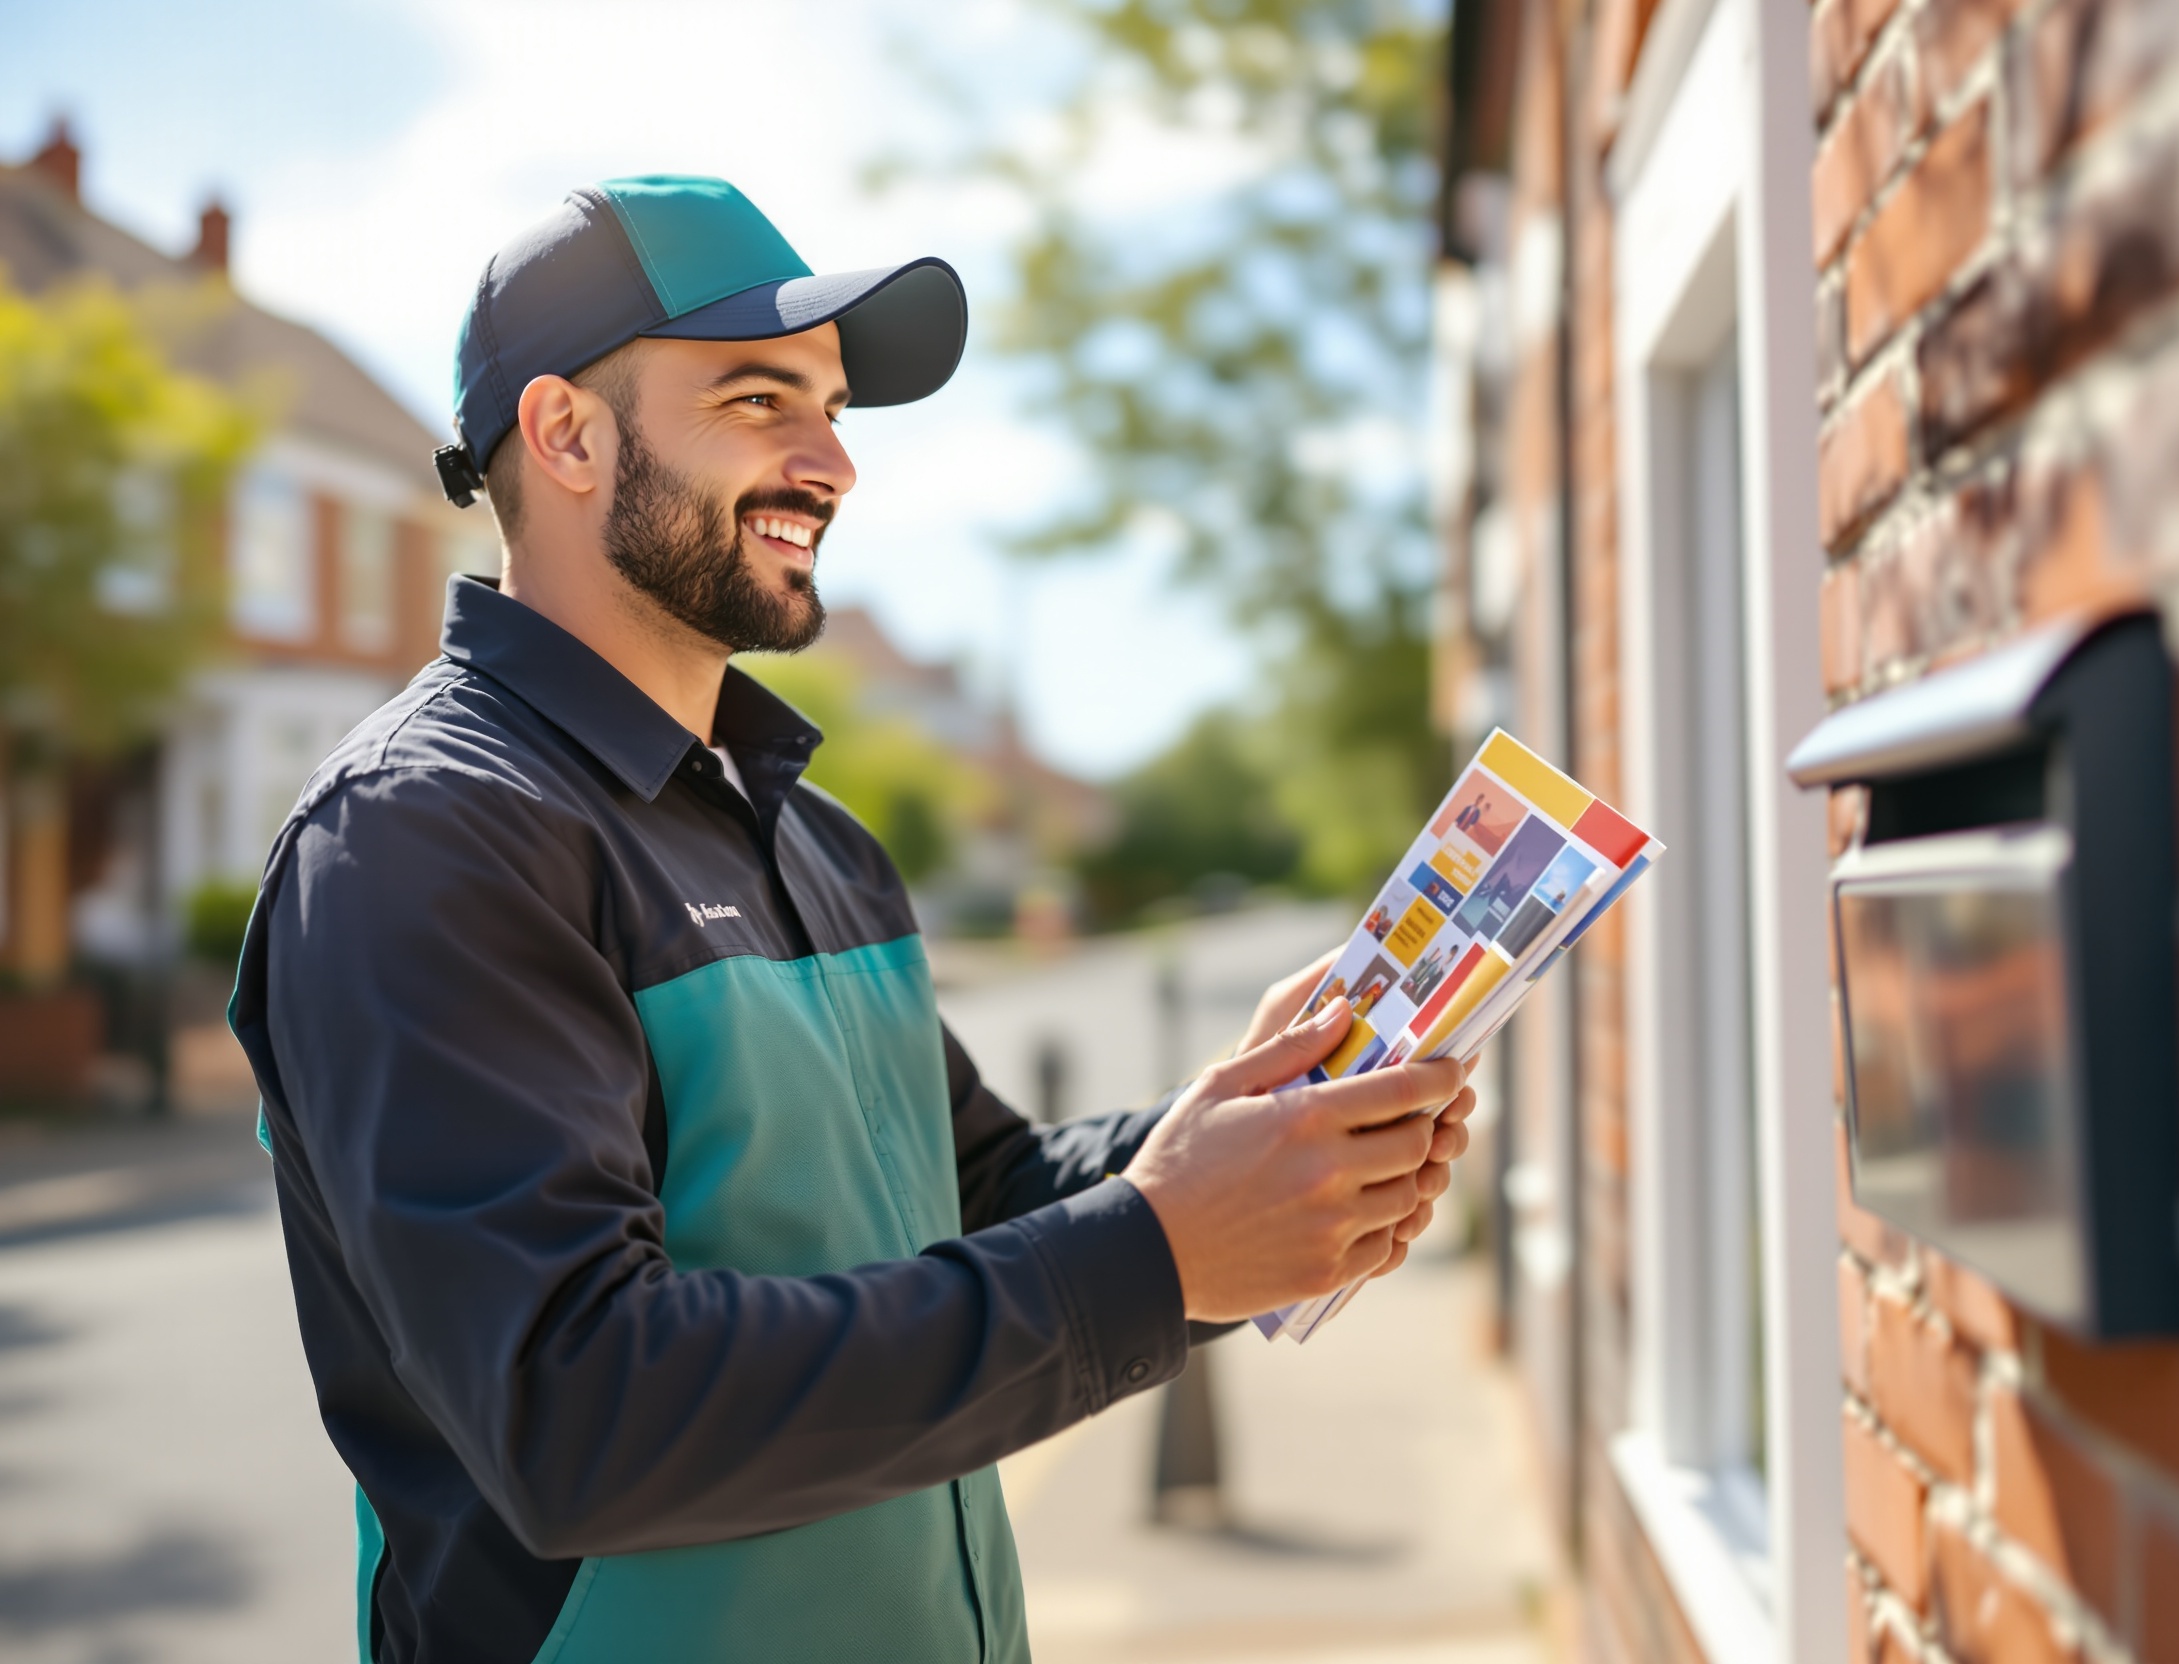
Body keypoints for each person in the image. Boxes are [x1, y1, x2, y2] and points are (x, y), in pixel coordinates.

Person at [228, 177, 1474, 1664]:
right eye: (761, 398)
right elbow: (580, 1411)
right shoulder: (424, 837)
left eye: (832, 411)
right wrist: (1159, 1253)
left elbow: (980, 1193)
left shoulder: (815, 837)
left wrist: (1245, 1146)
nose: (830, 464)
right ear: (566, 434)